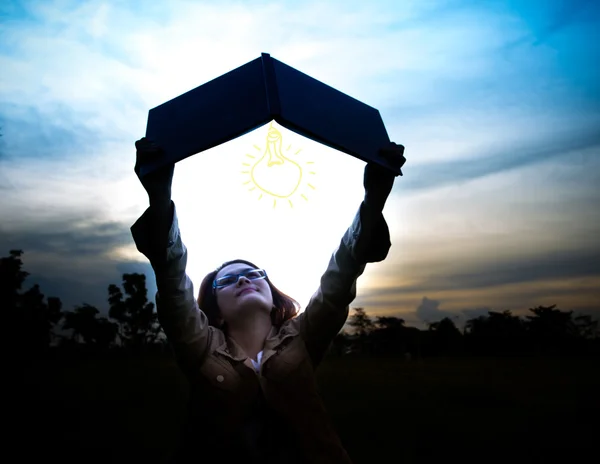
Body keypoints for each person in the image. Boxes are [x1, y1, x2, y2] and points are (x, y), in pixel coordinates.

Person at [131, 137, 406, 463]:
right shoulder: (201, 347)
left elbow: (340, 277)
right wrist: (159, 196)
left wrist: (374, 199)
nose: (244, 279)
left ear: (273, 299)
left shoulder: (302, 338)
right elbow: (173, 283)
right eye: (228, 280)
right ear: (215, 311)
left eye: (253, 273)